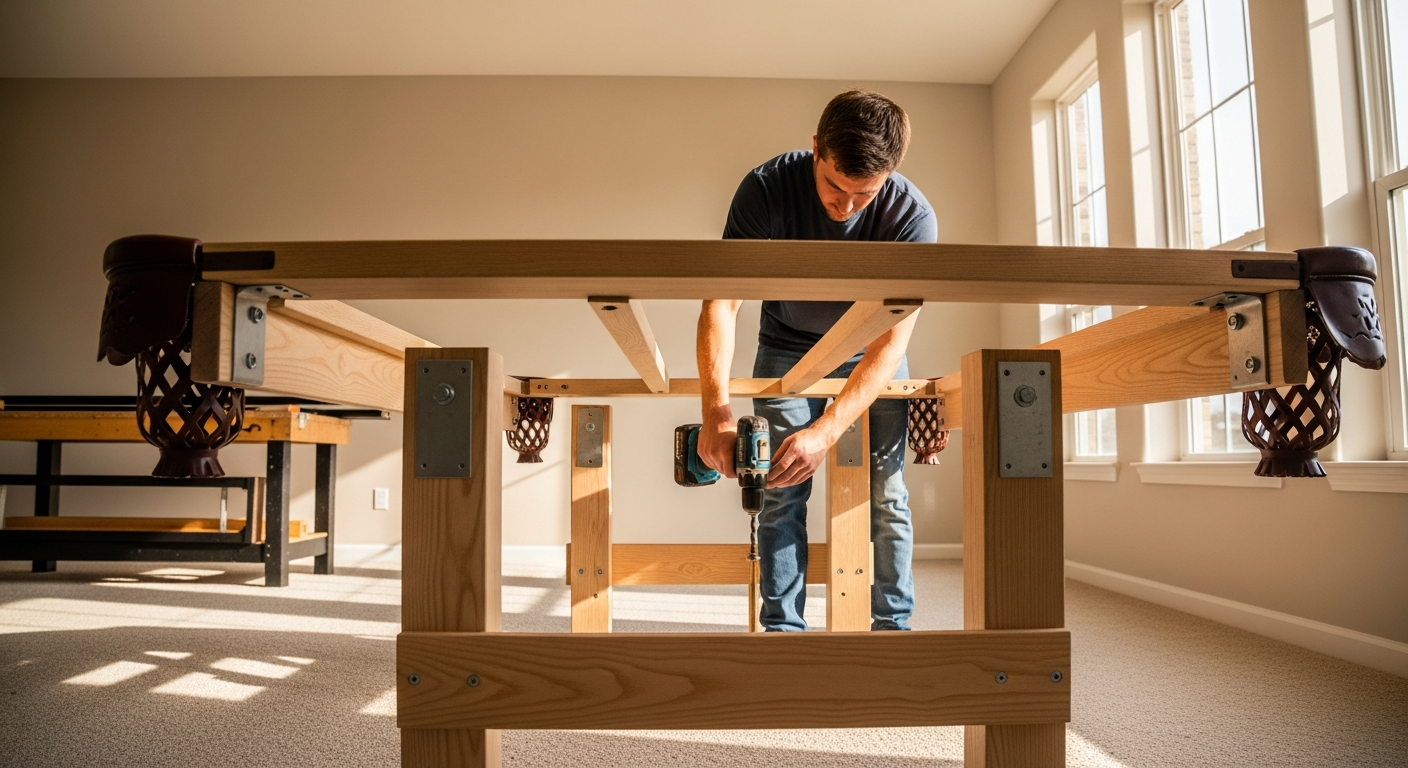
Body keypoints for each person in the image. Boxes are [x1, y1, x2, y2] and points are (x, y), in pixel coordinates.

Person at [696, 90, 936, 632]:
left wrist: (826, 432)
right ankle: (783, 632)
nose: (845, 207)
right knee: (779, 488)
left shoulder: (912, 219)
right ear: (815, 149)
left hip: (872, 351)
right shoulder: (765, 188)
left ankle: (892, 632)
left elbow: (891, 343)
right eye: (834, 186)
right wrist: (715, 411)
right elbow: (721, 302)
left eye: (864, 194)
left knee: (887, 494)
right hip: (786, 343)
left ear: (890, 174)